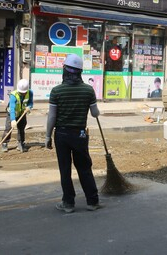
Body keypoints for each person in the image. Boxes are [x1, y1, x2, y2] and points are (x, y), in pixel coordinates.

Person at [45, 54, 101, 213]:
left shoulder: (56, 91)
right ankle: (92, 201)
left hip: (62, 135)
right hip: (80, 135)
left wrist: (48, 136)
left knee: (65, 169)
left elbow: (52, 117)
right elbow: (95, 113)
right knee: (84, 168)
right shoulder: (88, 90)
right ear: (80, 72)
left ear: (65, 71)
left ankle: (68, 203)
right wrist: (94, 109)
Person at [1, 79, 33, 153]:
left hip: (22, 113)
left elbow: (30, 102)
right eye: (21, 92)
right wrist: (13, 120)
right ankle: (4, 143)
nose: (22, 94)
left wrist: (29, 107)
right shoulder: (13, 95)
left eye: (24, 92)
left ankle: (21, 142)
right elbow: (12, 108)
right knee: (8, 128)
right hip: (12, 113)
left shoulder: (30, 93)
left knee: (21, 128)